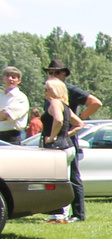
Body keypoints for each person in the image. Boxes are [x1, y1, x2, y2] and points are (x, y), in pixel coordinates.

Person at [43, 60, 99, 223]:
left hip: (63, 141)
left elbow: (95, 102)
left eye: (57, 72)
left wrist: (78, 119)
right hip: (61, 140)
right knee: (61, 177)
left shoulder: (68, 90)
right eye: (50, 73)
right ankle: (59, 212)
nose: (53, 75)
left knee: (72, 177)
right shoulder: (53, 95)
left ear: (64, 75)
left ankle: (77, 213)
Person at [0, 66, 27, 144]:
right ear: (3, 78)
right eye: (7, 76)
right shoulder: (1, 96)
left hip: (11, 137)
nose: (10, 79)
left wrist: (4, 114)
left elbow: (6, 114)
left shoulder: (21, 97)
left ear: (19, 80)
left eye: (13, 77)